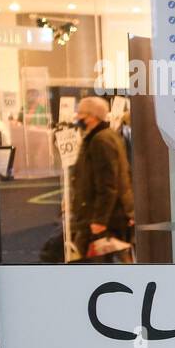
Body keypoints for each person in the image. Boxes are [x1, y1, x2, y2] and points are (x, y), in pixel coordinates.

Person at [69, 95, 134, 262]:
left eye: (81, 113)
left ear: (92, 116)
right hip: (109, 216)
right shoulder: (105, 137)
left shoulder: (100, 140)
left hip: (105, 219)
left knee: (101, 264)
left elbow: (107, 184)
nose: (77, 117)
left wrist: (99, 220)